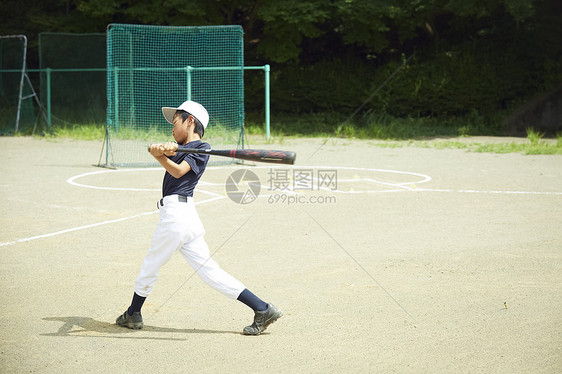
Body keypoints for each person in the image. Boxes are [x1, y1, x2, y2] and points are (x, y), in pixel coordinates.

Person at [115, 100, 282, 335]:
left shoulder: (202, 148)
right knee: (210, 272)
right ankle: (262, 308)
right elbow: (171, 152)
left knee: (151, 264)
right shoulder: (180, 147)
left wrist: (159, 157)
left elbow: (178, 170)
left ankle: (133, 312)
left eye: (175, 122)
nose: (172, 128)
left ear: (190, 121)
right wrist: (164, 149)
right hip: (186, 218)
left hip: (177, 217)